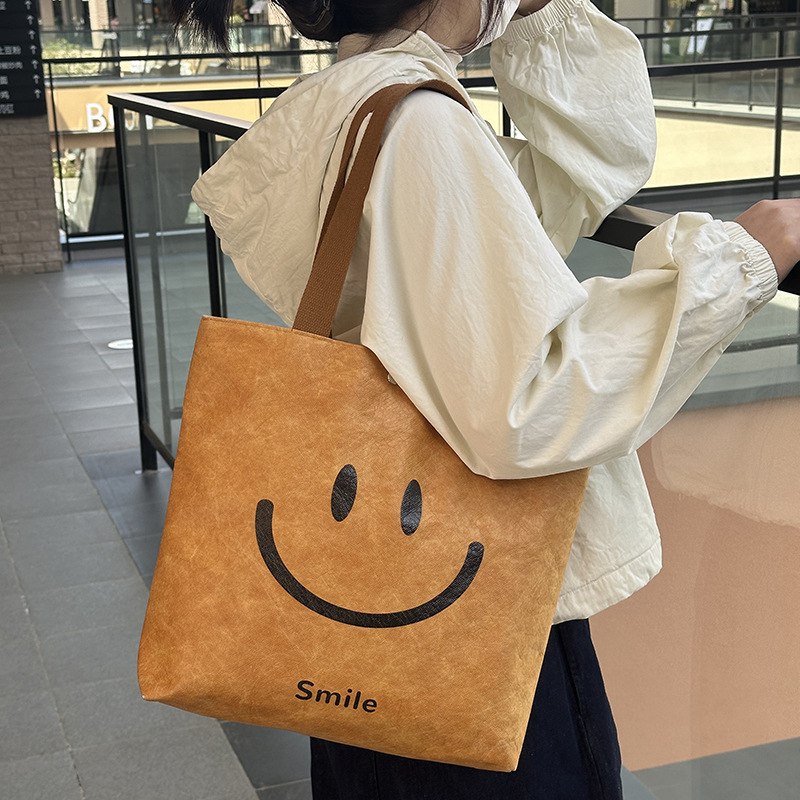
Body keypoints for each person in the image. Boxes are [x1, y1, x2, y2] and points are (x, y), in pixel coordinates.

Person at [175, 0, 800, 796]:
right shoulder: (420, 126)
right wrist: (737, 265)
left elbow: (576, 173)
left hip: (365, 616)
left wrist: (540, 15)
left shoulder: (359, 101)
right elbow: (526, 404)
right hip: (475, 615)